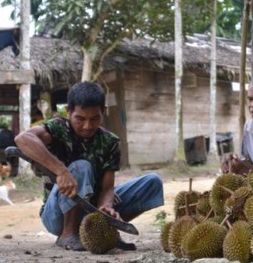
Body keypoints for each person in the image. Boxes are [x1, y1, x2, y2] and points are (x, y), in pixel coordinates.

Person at [14, 82, 164, 251]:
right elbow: (23, 139)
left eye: (94, 118)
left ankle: (105, 231)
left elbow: (108, 188)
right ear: (69, 112)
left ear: (104, 112)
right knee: (82, 167)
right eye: (80, 119)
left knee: (153, 182)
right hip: (57, 217)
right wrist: (61, 171)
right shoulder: (58, 129)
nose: (87, 126)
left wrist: (106, 207)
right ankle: (68, 235)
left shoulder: (110, 141)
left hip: (90, 212)